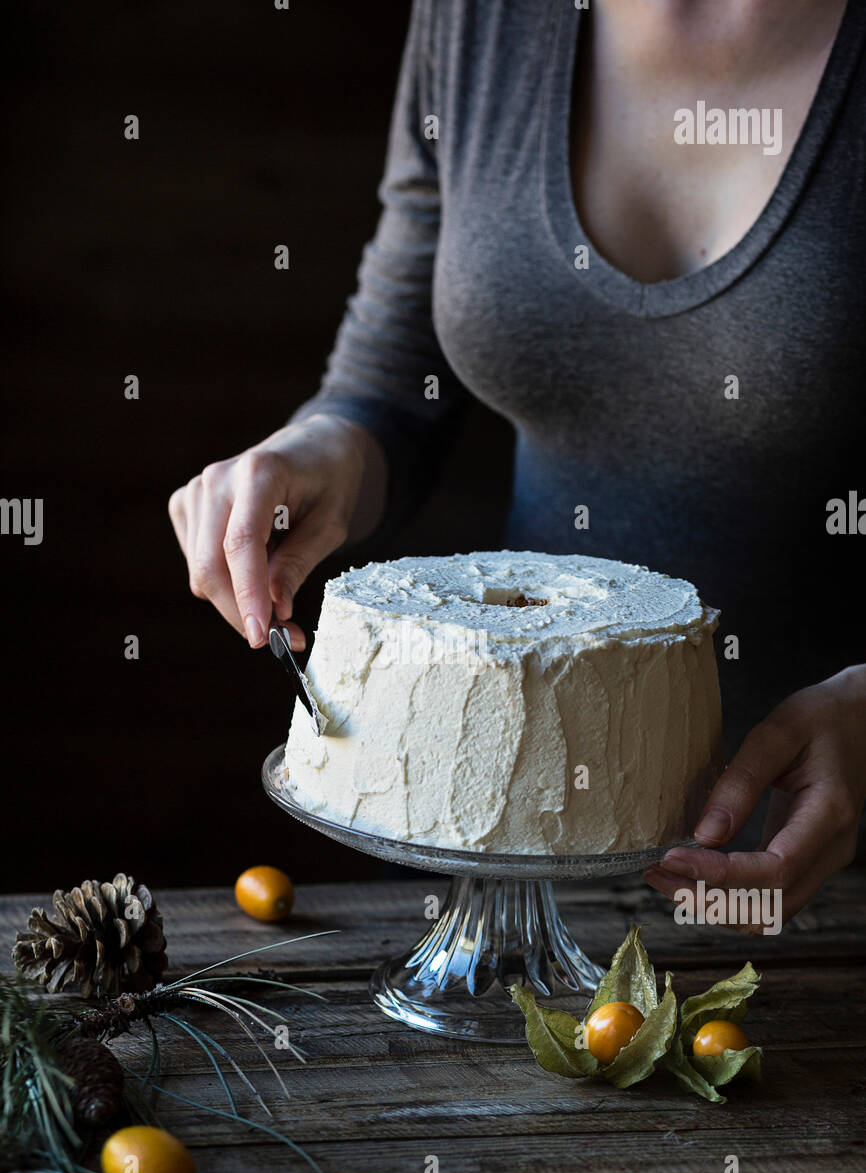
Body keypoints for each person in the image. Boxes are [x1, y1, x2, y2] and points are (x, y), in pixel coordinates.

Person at [169, 0, 865, 928]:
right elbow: (394, 378)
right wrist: (316, 451)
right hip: (482, 859)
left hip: (814, 889)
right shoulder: (478, 17)